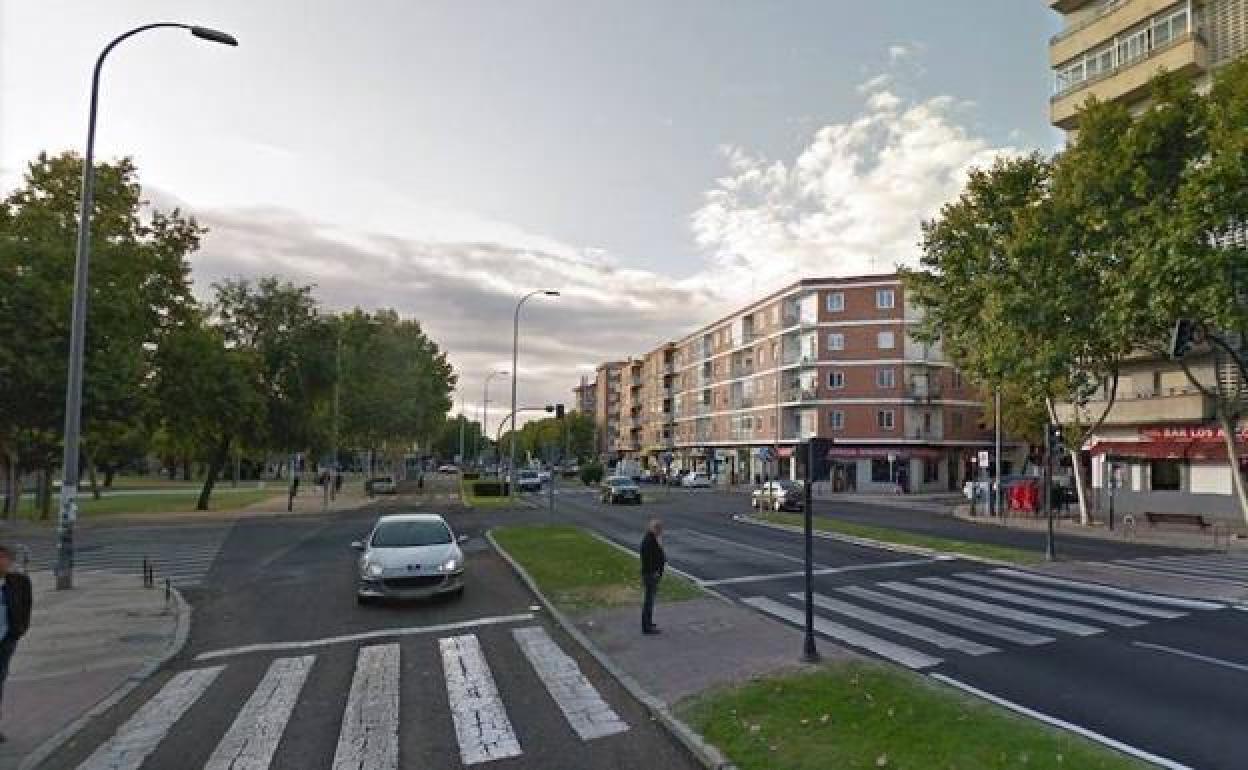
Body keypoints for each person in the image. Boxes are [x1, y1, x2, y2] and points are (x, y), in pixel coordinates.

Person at [0, 544, 33, 743]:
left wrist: (19, 630)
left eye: (4, 558)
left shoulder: (19, 582)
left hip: (6, 639)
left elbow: (26, 605)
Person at [639, 519, 666, 635]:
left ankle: (648, 623)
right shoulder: (650, 541)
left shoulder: (651, 539)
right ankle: (647, 626)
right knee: (649, 601)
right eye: (659, 530)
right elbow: (648, 559)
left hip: (651, 574)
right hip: (651, 575)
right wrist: (655, 572)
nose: (661, 532)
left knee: (650, 601)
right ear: (655, 529)